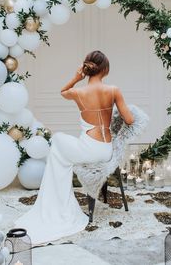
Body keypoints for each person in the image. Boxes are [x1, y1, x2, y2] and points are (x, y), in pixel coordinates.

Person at [15, 50, 134, 244]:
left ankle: (56, 202)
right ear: (105, 69)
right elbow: (130, 119)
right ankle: (58, 201)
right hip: (106, 150)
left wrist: (76, 77)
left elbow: (63, 92)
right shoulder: (113, 90)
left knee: (58, 142)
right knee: (61, 147)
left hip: (88, 149)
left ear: (87, 69)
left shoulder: (79, 92)